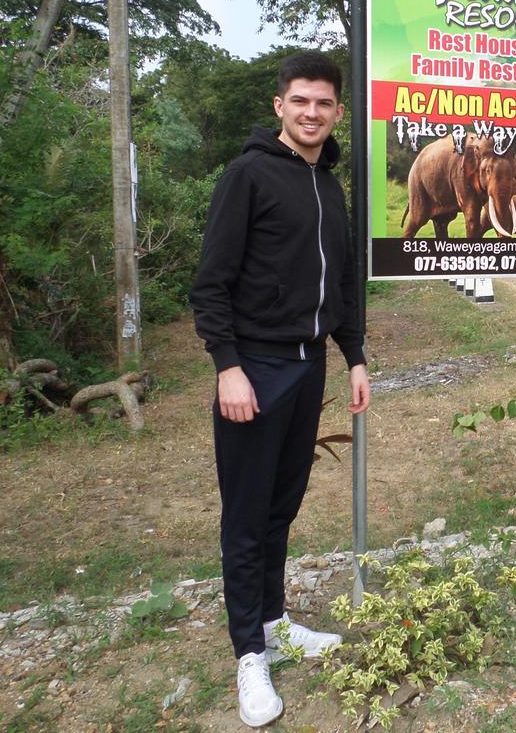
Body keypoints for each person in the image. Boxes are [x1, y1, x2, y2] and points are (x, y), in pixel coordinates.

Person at [190, 51, 370, 726]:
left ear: (337, 111)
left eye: (324, 103)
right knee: (245, 514)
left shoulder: (329, 185)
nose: (312, 113)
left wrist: (352, 356)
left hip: (311, 366)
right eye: (301, 101)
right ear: (280, 106)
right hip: (255, 369)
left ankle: (273, 621)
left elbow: (344, 282)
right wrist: (227, 365)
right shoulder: (247, 175)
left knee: (281, 507)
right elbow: (210, 283)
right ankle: (249, 657)